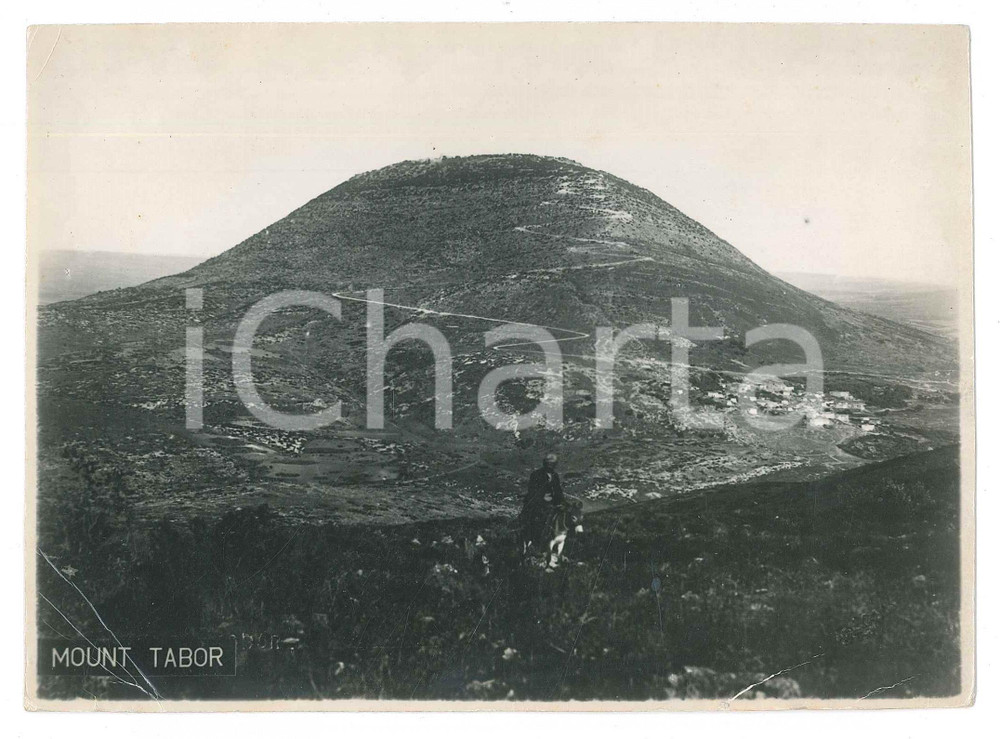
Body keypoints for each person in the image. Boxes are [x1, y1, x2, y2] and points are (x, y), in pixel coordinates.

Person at [519, 453, 565, 554]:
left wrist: (561, 501)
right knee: (536, 519)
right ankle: (533, 543)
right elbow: (533, 490)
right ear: (545, 464)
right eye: (548, 464)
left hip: (552, 502)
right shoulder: (536, 474)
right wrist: (542, 497)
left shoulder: (555, 476)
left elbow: (558, 490)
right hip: (538, 502)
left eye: (552, 464)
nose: (550, 466)